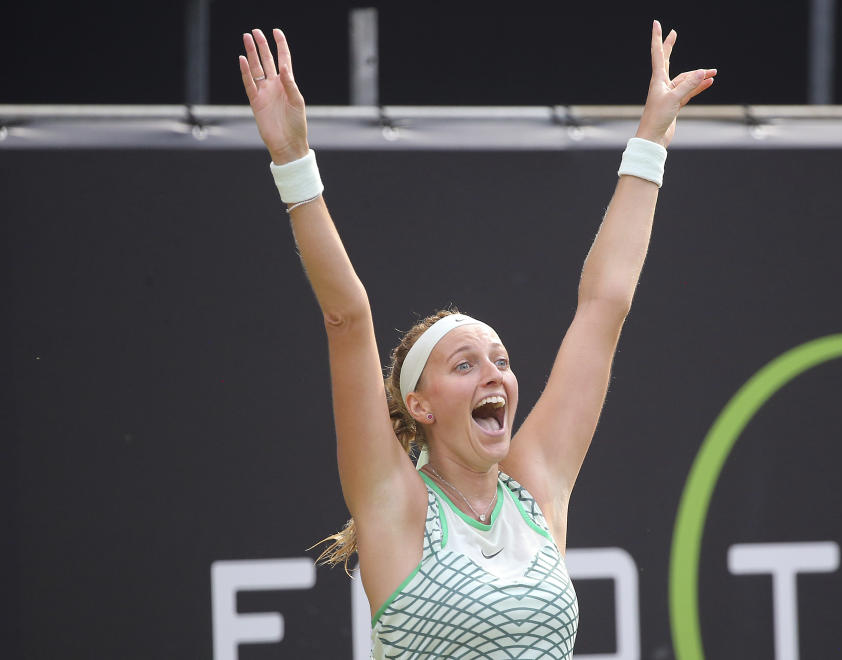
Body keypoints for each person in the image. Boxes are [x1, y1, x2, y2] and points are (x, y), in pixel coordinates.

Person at [239, 21, 715, 659]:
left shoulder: (536, 489)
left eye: (501, 360)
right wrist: (293, 161)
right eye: (465, 365)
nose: (495, 374)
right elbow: (348, 317)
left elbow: (605, 307)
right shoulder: (396, 505)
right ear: (421, 405)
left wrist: (650, 140)